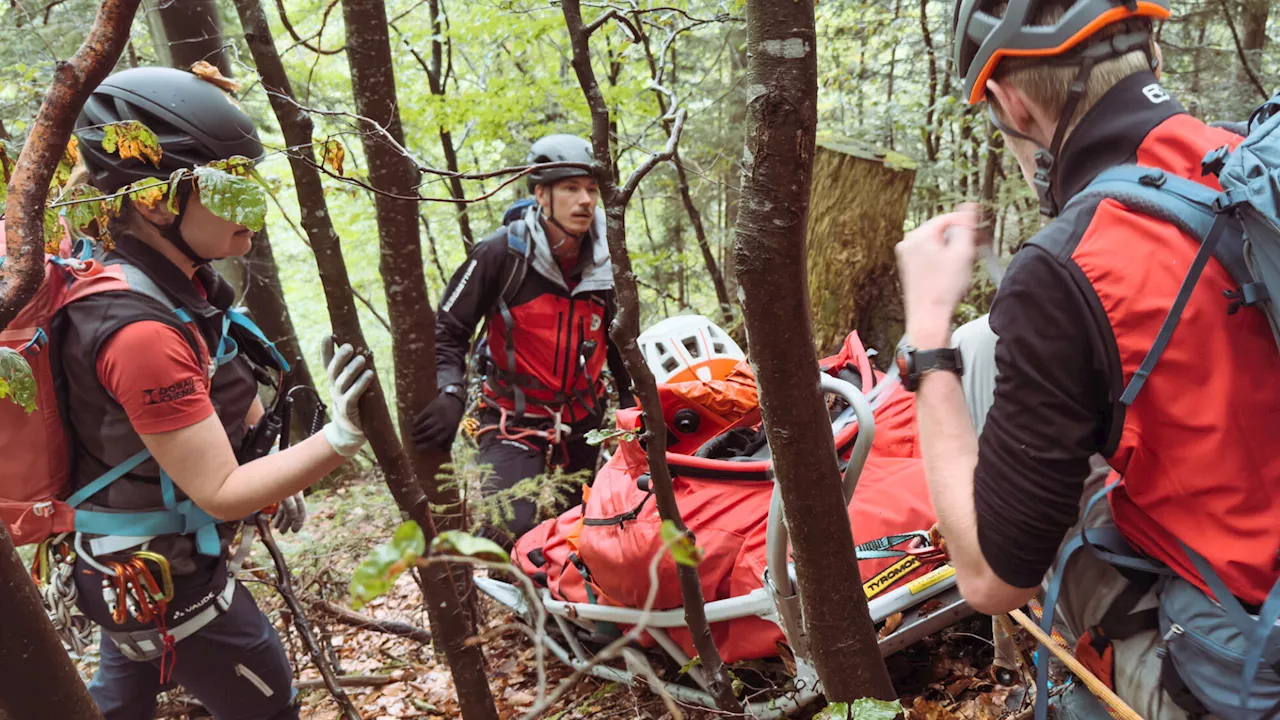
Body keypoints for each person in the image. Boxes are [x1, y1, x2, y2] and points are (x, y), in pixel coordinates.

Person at [893, 1, 1280, 717]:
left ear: (1012, 102)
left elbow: (991, 580)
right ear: (1153, 54)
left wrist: (927, 341)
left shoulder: (1069, 266)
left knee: (990, 392)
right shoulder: (1250, 162)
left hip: (1253, 664)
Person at [64, 66, 375, 720]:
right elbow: (220, 489)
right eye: (232, 184)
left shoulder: (174, 287)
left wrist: (275, 473)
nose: (253, 202)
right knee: (269, 701)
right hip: (165, 577)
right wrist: (339, 439)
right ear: (153, 201)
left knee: (120, 702)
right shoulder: (139, 330)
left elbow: (218, 385)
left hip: (132, 563)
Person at [412, 134, 634, 547]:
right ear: (541, 195)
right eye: (570, 188)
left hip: (584, 416)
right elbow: (450, 326)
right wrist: (450, 391)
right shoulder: (501, 254)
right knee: (506, 528)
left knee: (590, 525)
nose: (585, 200)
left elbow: (618, 334)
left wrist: (630, 401)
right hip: (511, 416)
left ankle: (571, 607)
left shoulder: (608, 257)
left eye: (591, 189)